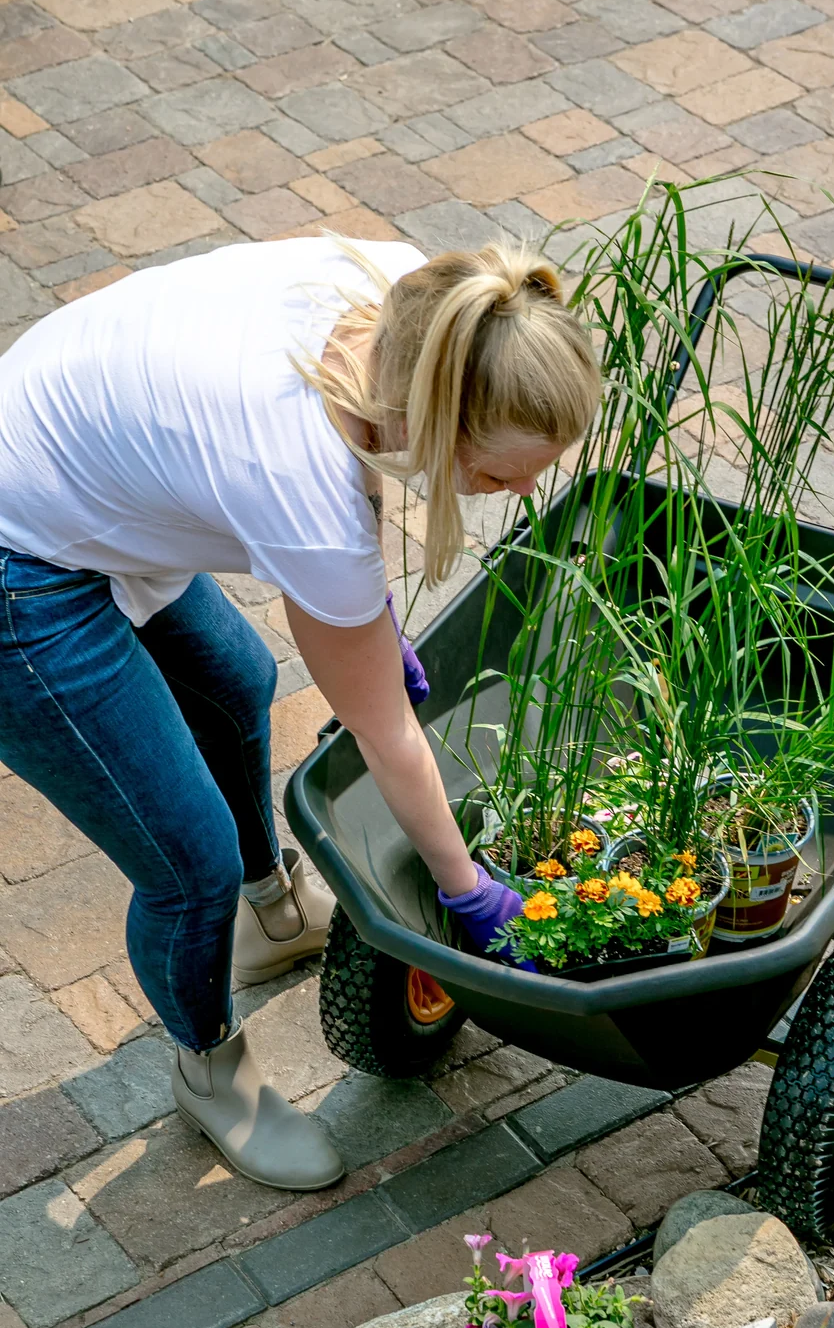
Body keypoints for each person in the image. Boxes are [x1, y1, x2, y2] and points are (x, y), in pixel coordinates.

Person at [0, 234, 601, 1192]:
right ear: (432, 416)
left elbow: (352, 542)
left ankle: (272, 916)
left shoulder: (425, 300)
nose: (523, 491)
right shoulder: (302, 486)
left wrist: (368, 621)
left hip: (69, 463)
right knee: (186, 862)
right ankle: (210, 1068)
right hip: (19, 564)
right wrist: (467, 889)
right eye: (500, 476)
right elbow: (384, 735)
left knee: (237, 683)